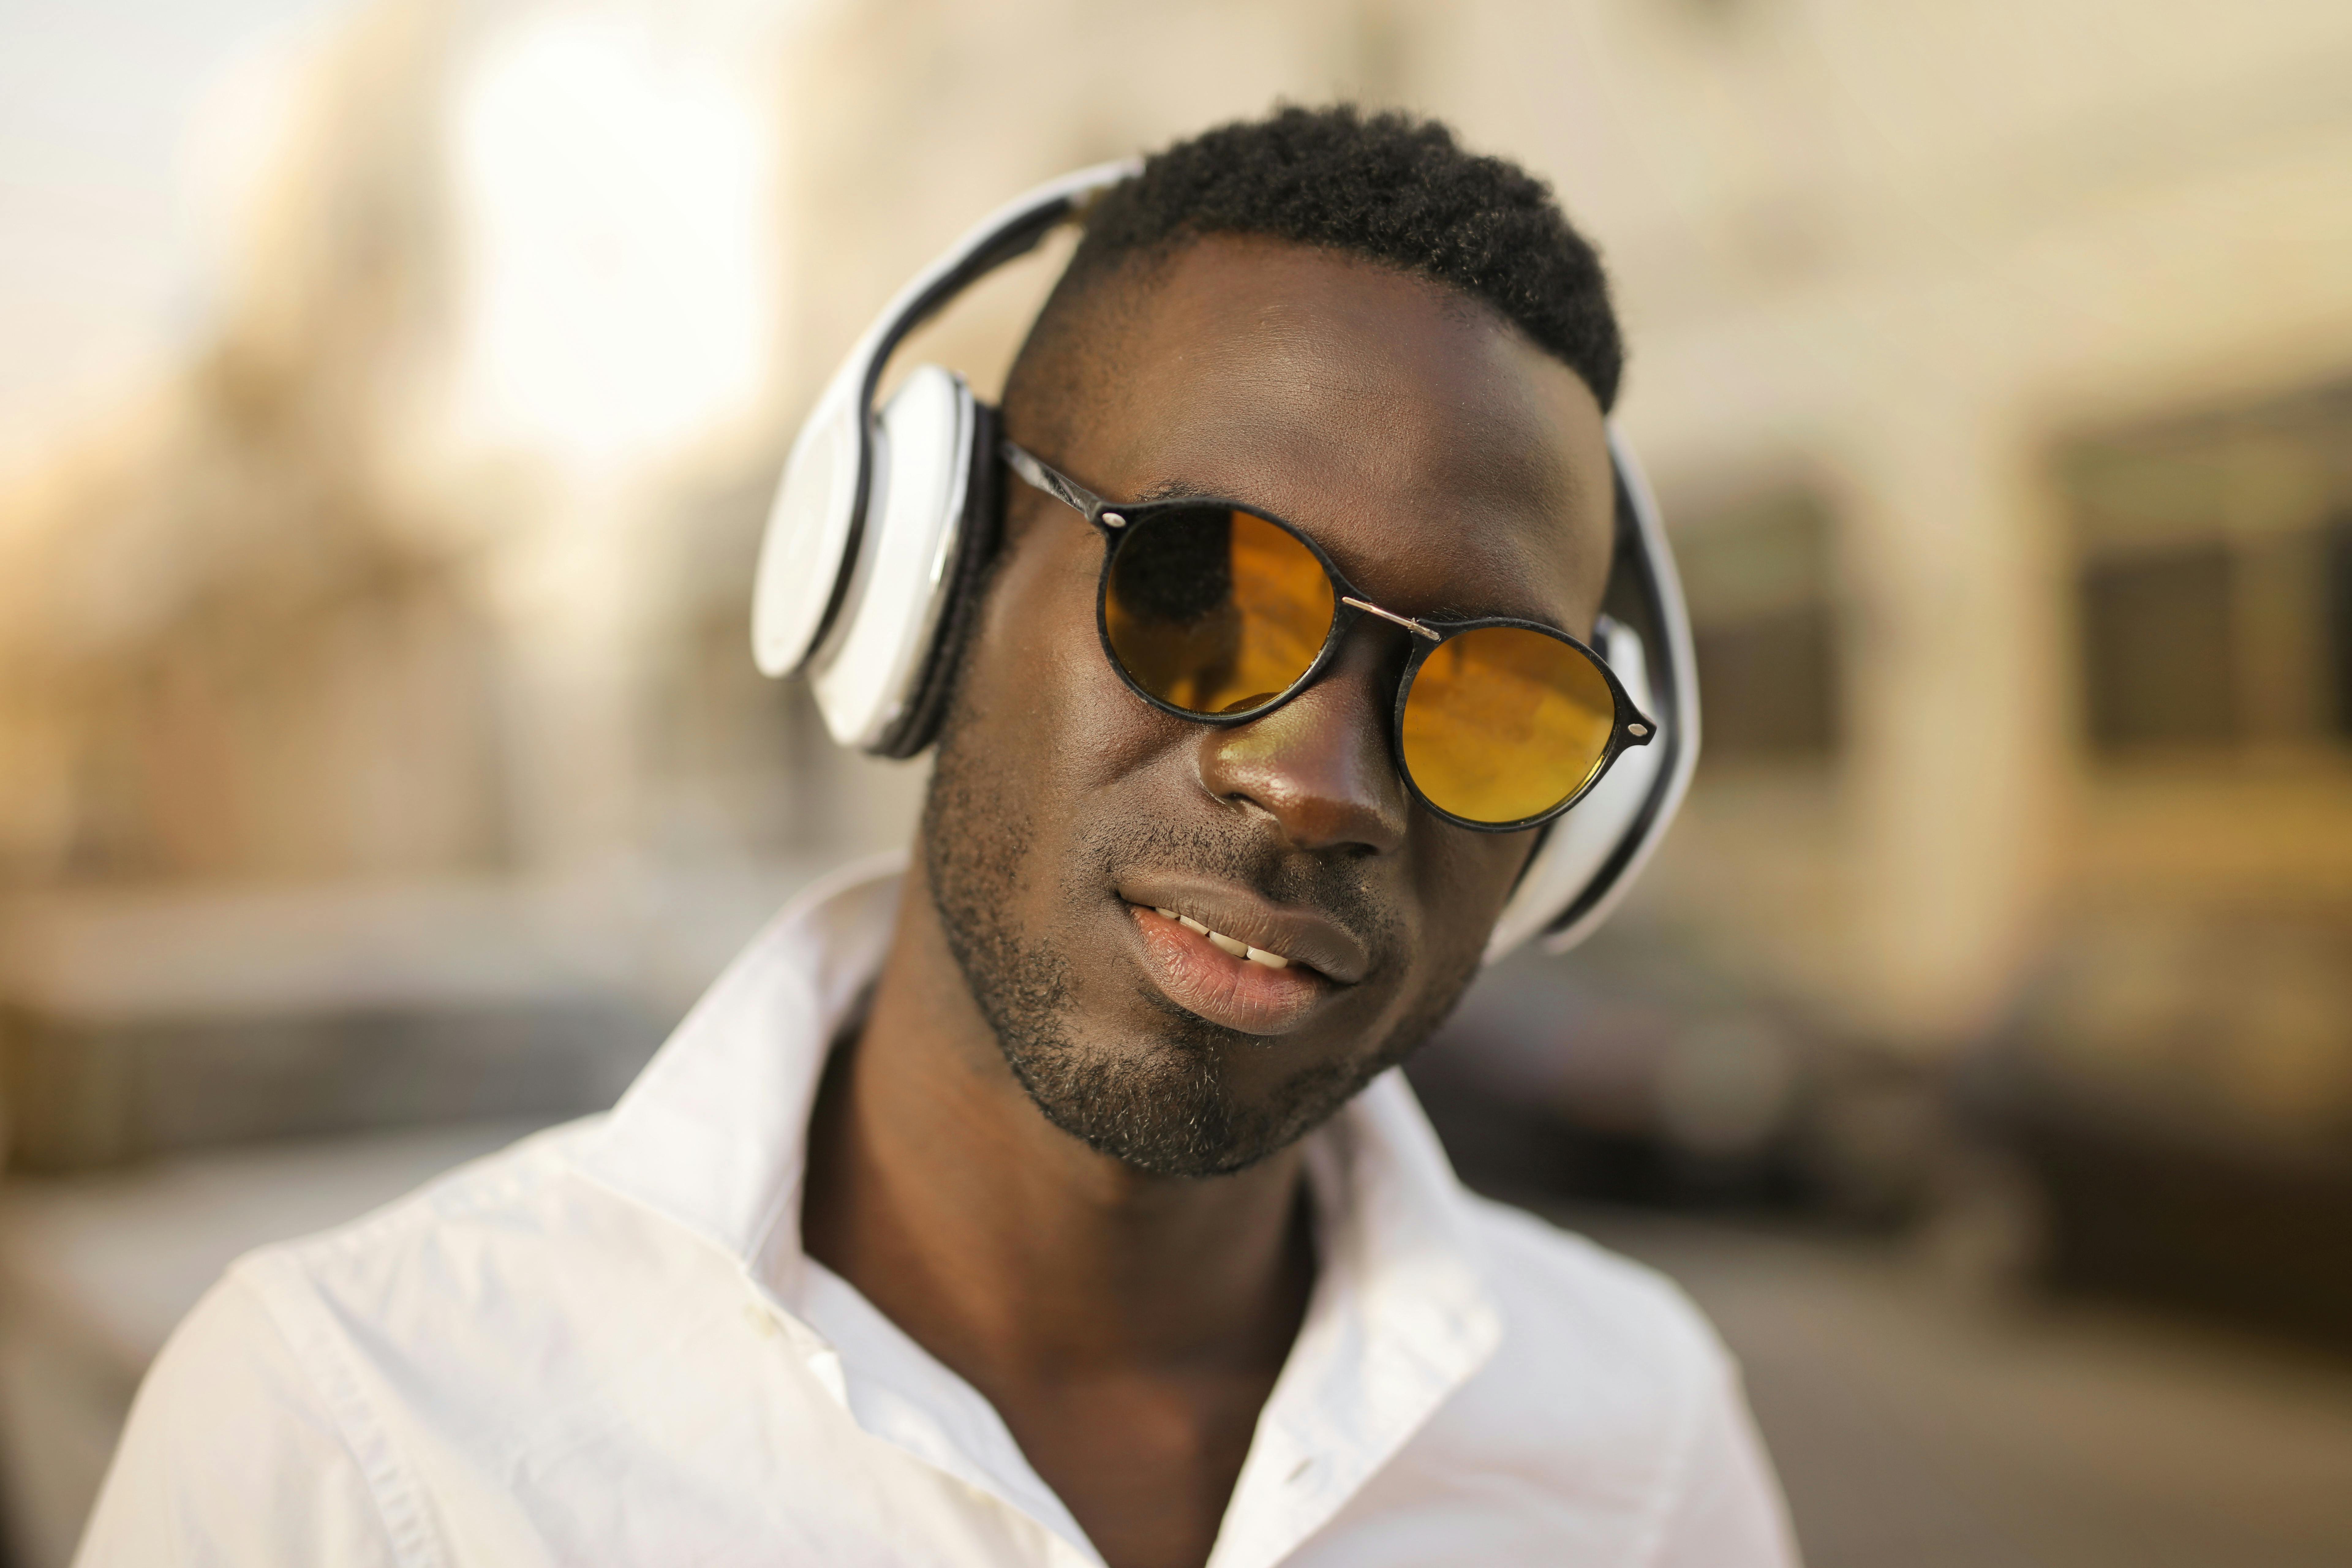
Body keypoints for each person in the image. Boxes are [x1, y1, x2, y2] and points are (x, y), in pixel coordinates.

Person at [77, 106, 1796, 1568]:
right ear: (936, 579)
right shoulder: (353, 1437)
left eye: (1504, 697)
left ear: (1580, 829)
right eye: (1197, 589)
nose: (1323, 779)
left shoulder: (1637, 1441)